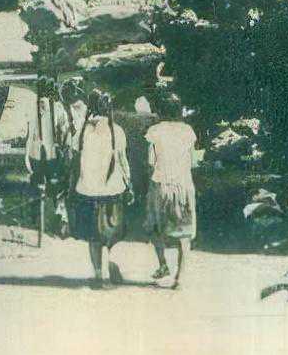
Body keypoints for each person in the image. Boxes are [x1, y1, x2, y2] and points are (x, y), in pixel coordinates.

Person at [68, 89, 131, 288]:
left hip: (87, 190)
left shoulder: (82, 131)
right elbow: (123, 161)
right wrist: (129, 183)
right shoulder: (117, 131)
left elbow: (73, 158)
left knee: (93, 236)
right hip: (111, 191)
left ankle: (98, 273)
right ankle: (108, 268)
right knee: (111, 234)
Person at [143, 93, 198, 288]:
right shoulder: (188, 131)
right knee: (184, 233)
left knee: (154, 228)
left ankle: (163, 265)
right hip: (183, 186)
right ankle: (179, 278)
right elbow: (194, 162)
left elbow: (151, 162)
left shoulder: (154, 131)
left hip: (160, 184)